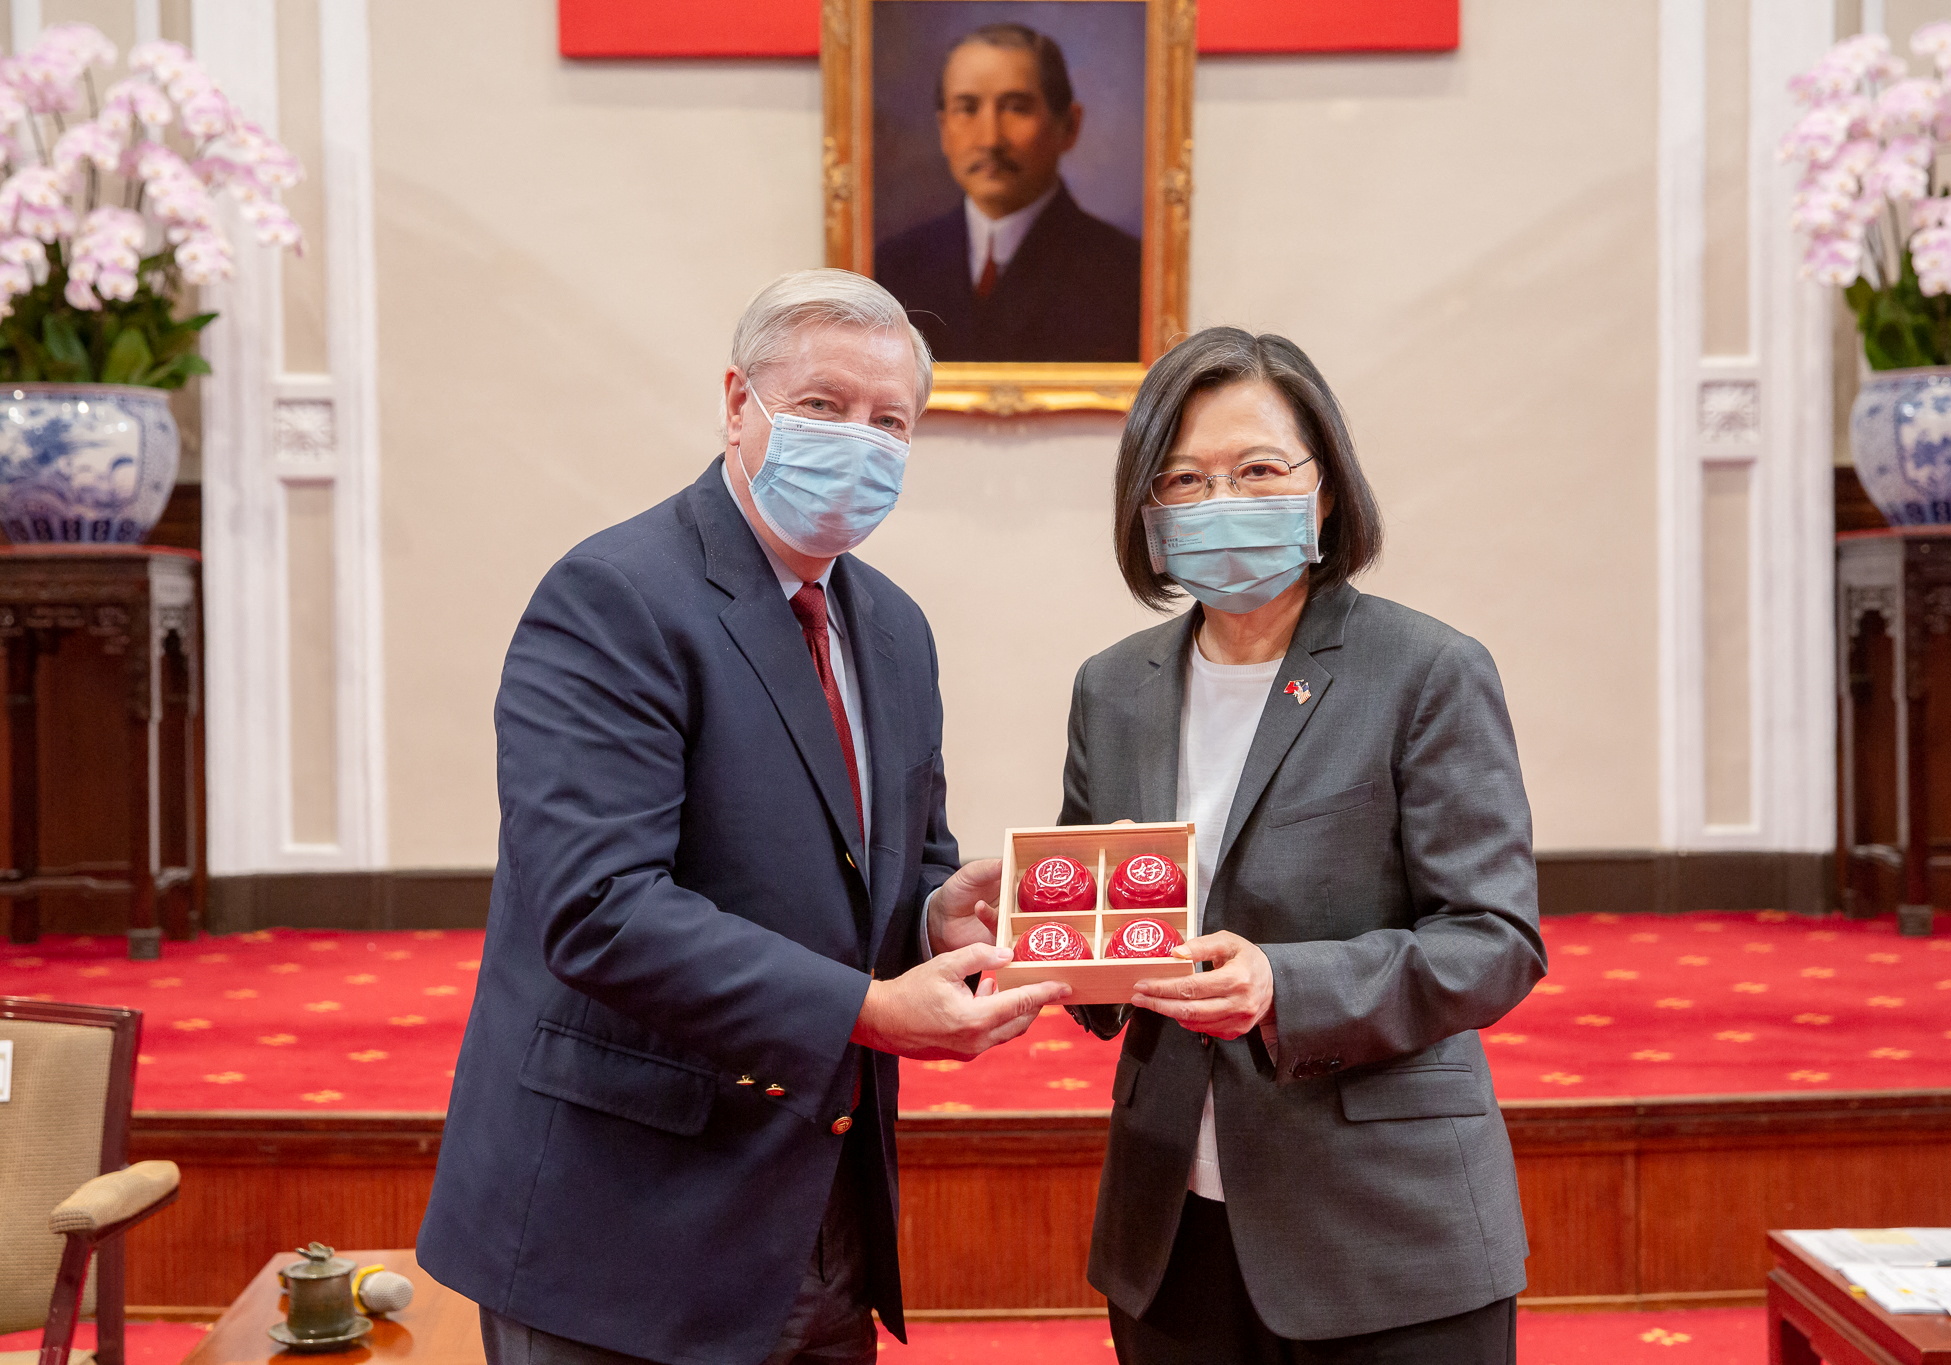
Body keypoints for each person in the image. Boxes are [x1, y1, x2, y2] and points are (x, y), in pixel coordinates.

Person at [417, 269, 1071, 1365]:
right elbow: (599, 911)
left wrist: (932, 921)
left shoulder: (894, 629)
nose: (857, 443)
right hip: (623, 1229)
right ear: (736, 404)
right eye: (821, 407)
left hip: (821, 1211)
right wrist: (867, 1009)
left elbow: (883, 869)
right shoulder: (613, 597)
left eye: (889, 423)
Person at [1063, 328, 1545, 1363]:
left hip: (1382, 1234)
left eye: (1257, 471)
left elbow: (1493, 941)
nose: (1219, 499)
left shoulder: (1423, 672)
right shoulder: (1112, 687)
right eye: (1183, 478)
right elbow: (1100, 942)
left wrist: (1283, 986)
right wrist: (1044, 936)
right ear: (1146, 511)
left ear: (1321, 491)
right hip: (1168, 1226)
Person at [873, 22, 1141, 363]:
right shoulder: (895, 267)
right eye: (967, 108)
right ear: (944, 130)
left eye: (1016, 107)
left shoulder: (1124, 274)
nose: (990, 139)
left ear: (1068, 126)